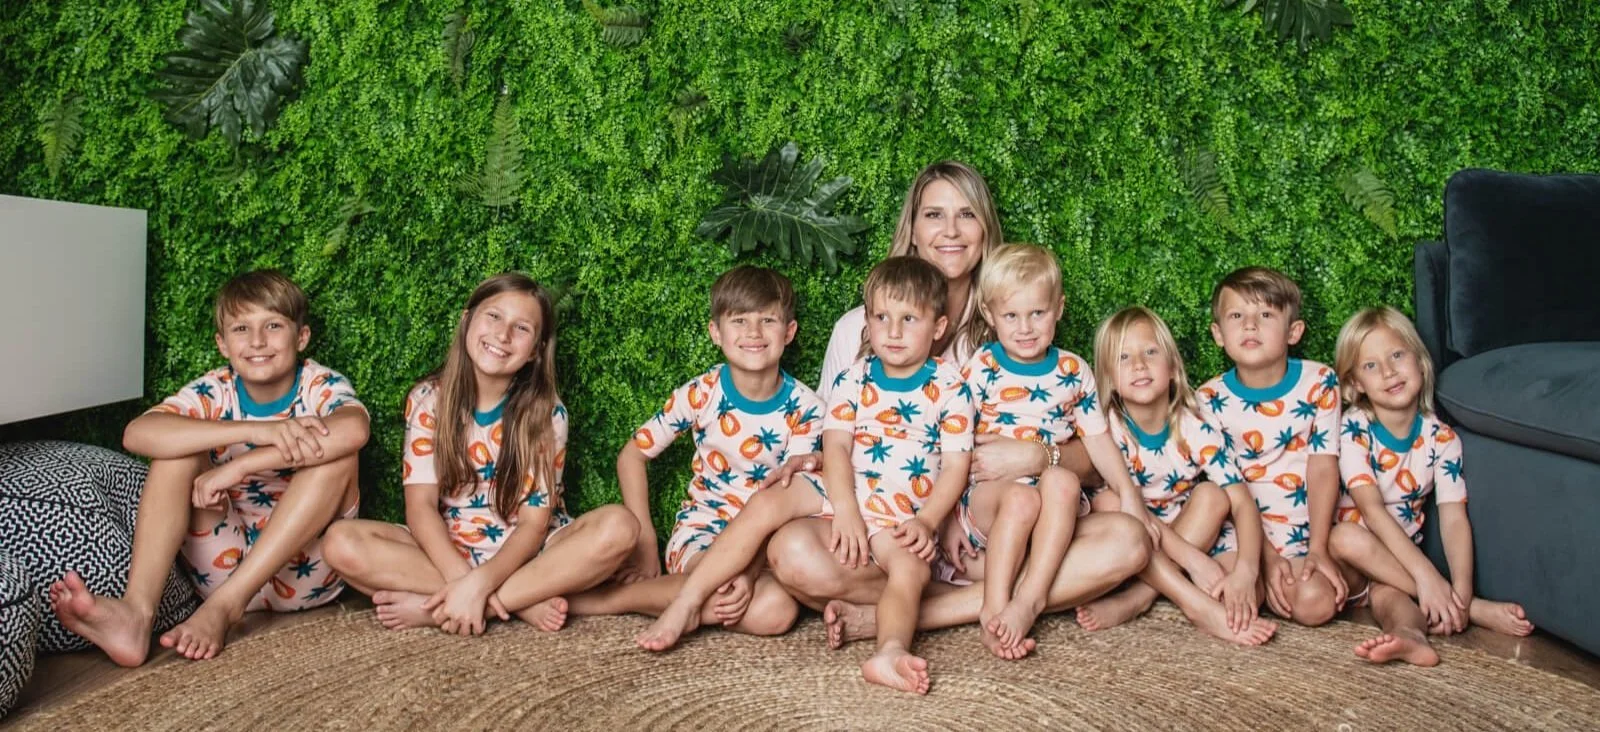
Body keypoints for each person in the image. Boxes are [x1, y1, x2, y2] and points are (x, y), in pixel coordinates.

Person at [50, 270, 368, 664]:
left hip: (306, 570)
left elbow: (354, 429)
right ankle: (136, 613)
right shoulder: (214, 391)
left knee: (337, 454)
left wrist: (243, 464)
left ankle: (226, 609)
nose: (256, 341)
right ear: (222, 344)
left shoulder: (317, 385)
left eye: (272, 325)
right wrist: (259, 431)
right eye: (240, 329)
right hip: (221, 562)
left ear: (301, 337)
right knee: (175, 449)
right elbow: (137, 434)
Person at [320, 273, 638, 635]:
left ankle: (443, 607)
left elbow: (534, 525)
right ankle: (514, 602)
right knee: (340, 542)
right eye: (493, 317)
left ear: (535, 350)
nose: (502, 335)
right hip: (446, 551)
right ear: (466, 320)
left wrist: (481, 584)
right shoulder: (428, 400)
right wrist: (466, 581)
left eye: (521, 328)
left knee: (620, 527)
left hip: (531, 555)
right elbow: (420, 507)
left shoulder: (546, 413)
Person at [1329, 306, 1533, 666]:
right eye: (1371, 365)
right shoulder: (1354, 427)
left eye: (1396, 355)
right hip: (1353, 563)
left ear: (1420, 362)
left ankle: (1410, 638)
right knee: (1345, 536)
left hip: (1398, 571)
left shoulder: (1442, 439)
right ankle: (1471, 609)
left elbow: (1454, 518)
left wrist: (1461, 586)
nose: (1389, 371)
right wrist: (1430, 578)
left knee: (1396, 608)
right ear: (1355, 384)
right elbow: (1371, 510)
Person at [1073, 306, 1278, 645]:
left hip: (1193, 531)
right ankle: (1189, 600)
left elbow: (1241, 503)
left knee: (1244, 595)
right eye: (1124, 357)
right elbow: (1115, 507)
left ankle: (1143, 596)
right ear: (1108, 375)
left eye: (1150, 352)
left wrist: (1246, 570)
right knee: (1109, 501)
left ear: (1171, 366)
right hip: (1138, 539)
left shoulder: (1193, 428)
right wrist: (1191, 560)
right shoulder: (1105, 428)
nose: (1139, 364)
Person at [1196, 267, 1346, 627]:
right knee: (1225, 601)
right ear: (1218, 334)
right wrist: (1261, 559)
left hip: (1301, 535)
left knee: (1315, 605)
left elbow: (1324, 466)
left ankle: (1285, 582)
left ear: (1293, 331)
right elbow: (1227, 489)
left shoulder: (1320, 382)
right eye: (1237, 316)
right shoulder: (1209, 399)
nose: (1250, 325)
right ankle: (1255, 588)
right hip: (1239, 538)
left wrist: (1318, 549)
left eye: (1265, 315)